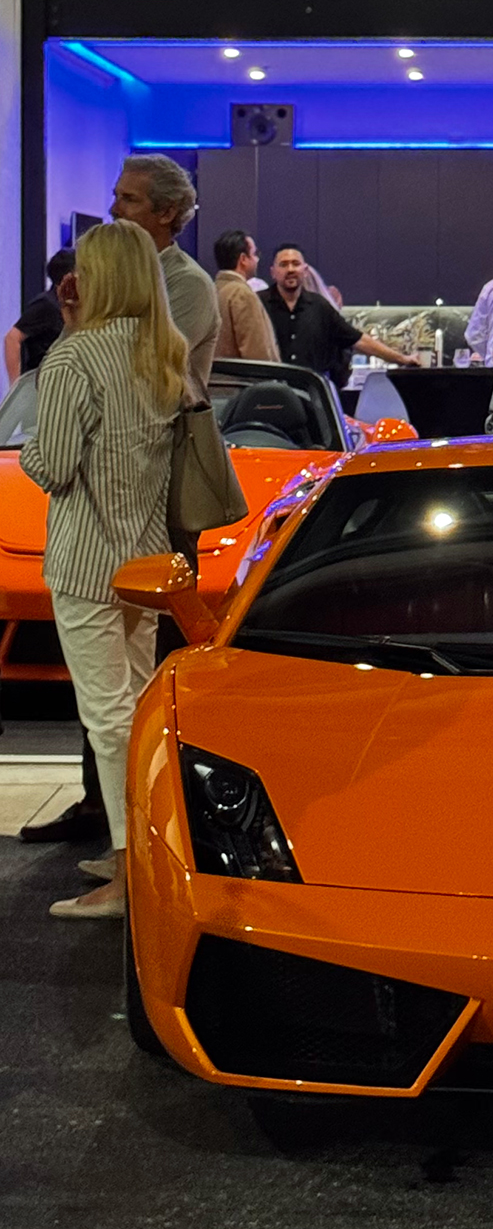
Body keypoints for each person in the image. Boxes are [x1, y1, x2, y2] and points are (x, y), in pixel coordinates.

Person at [19, 219, 189, 918]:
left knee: (108, 719)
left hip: (86, 560)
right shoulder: (164, 352)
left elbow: (51, 466)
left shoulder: (73, 359)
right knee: (139, 710)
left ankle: (126, 876)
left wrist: (33, 443)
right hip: (144, 558)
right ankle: (146, 856)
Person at [109, 156, 219, 396]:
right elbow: (60, 366)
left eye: (129, 199)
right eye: (116, 197)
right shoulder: (111, 276)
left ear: (167, 212)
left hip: (158, 419)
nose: (114, 210)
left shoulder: (189, 283)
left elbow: (144, 371)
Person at [261, 244, 419, 384]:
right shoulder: (258, 304)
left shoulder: (320, 306)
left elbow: (358, 340)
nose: (290, 269)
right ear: (273, 272)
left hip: (311, 395)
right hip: (270, 393)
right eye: (283, 264)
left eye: (296, 264)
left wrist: (402, 359)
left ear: (305, 271)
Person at [4, 248, 75, 384]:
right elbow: (12, 338)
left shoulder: (70, 307)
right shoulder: (46, 304)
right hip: (42, 384)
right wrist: (16, 387)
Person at [212, 229, 280, 362]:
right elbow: (256, 354)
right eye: (254, 254)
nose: (257, 259)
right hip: (241, 375)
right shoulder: (241, 294)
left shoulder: (212, 290)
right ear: (243, 259)